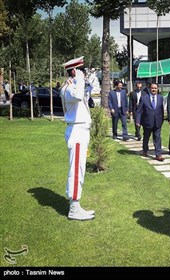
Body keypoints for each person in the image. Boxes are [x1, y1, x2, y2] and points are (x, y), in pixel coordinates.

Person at [60, 56, 95, 221]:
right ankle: (74, 209)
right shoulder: (69, 89)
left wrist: (83, 80)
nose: (83, 74)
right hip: (77, 130)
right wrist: (78, 79)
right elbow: (79, 95)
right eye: (81, 71)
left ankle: (76, 205)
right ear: (74, 71)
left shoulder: (73, 86)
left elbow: (87, 93)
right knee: (76, 170)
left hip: (80, 130)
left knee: (79, 168)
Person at [136, 83, 165, 162]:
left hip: (157, 122)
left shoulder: (160, 98)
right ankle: (145, 150)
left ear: (157, 89)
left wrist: (162, 120)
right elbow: (139, 111)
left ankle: (158, 154)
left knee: (157, 138)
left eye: (155, 88)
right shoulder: (144, 98)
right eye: (152, 88)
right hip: (147, 122)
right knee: (146, 137)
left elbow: (161, 110)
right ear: (149, 89)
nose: (154, 90)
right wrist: (138, 121)